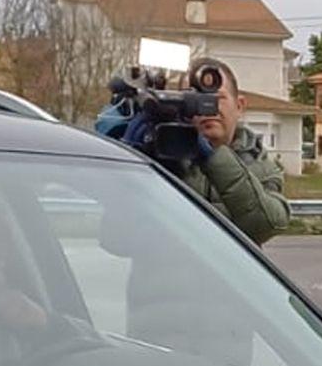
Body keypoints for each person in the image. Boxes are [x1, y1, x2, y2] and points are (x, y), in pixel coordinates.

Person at [113, 58, 290, 245]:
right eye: (194, 99)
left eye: (218, 98)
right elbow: (116, 241)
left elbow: (266, 225)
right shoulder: (161, 158)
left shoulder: (257, 163)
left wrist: (214, 157)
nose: (208, 108)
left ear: (239, 106)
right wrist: (132, 165)